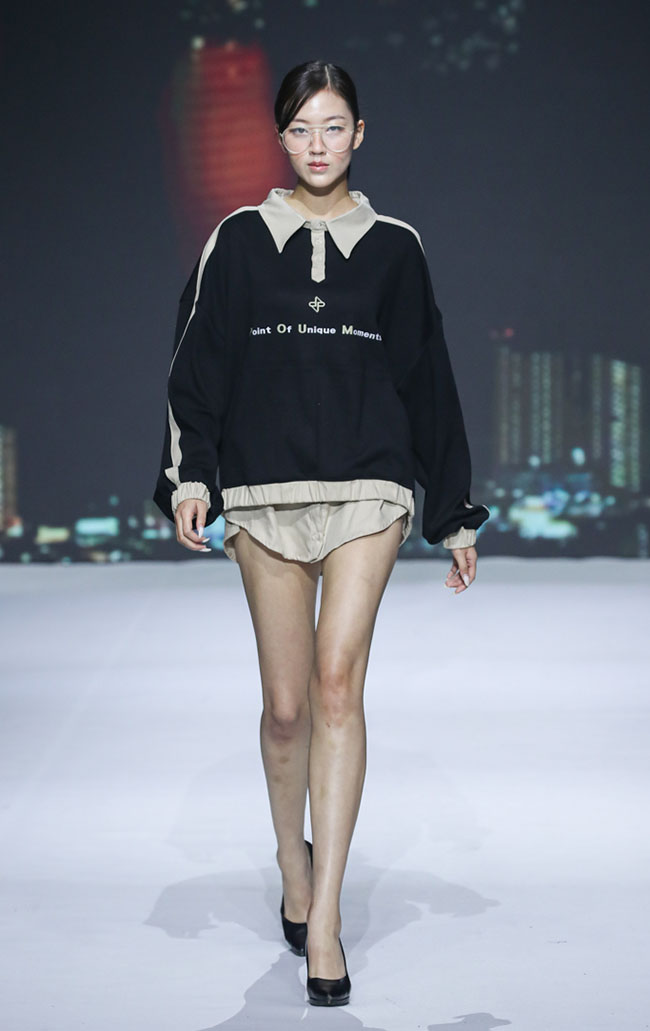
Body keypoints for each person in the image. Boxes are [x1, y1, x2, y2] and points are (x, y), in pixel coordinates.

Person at [153, 59, 490, 1007]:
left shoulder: (395, 248)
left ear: (359, 134)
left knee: (339, 683)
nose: (316, 145)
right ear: (280, 137)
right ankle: (290, 864)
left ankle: (327, 917)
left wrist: (452, 510)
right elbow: (196, 365)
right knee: (286, 707)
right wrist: (190, 476)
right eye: (300, 128)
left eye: (333, 126)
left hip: (368, 488)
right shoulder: (237, 240)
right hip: (263, 488)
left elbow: (428, 381)